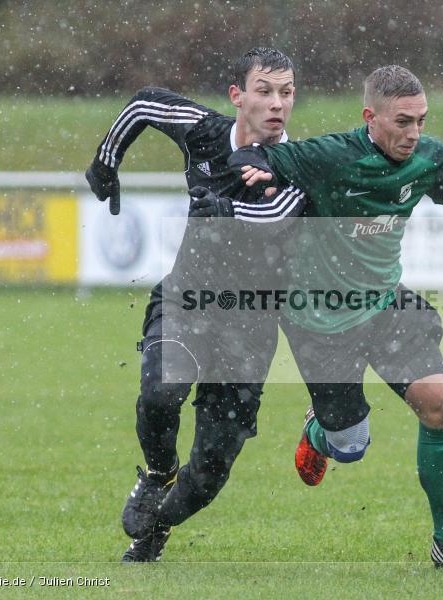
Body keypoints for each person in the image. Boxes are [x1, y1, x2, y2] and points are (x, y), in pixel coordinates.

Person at [156, 65, 443, 572]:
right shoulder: (331, 156)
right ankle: (320, 433)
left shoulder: (429, 158)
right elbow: (254, 153)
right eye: (402, 122)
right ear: (371, 117)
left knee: (441, 407)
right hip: (319, 323)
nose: (413, 133)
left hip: (387, 306)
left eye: (421, 120)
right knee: (350, 446)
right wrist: (251, 170)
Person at [85, 48, 305, 562]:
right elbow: (144, 103)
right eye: (265, 91)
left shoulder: (298, 166)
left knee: (208, 472)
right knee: (160, 394)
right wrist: (106, 161)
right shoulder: (205, 132)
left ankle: (157, 526)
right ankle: (159, 474)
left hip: (250, 326)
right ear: (238, 96)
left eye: (287, 92)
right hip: (186, 300)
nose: (277, 103)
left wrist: (227, 210)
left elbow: (278, 211)